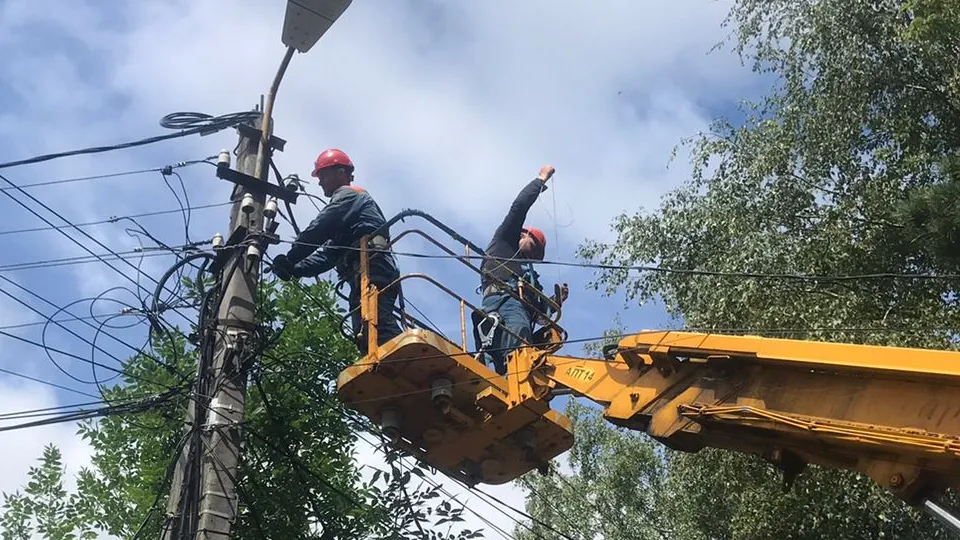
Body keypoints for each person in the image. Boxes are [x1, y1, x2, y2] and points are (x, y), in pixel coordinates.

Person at [271, 148, 403, 355]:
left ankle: (402, 357)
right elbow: (328, 255)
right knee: (363, 330)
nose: (320, 181)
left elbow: (322, 225)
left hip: (374, 267)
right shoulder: (347, 218)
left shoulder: (349, 196)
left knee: (378, 322)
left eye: (322, 175)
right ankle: (381, 366)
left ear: (340, 172)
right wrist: (294, 268)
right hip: (362, 273)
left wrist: (292, 256)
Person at [475, 164, 567, 375]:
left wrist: (556, 301)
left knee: (520, 343)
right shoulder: (504, 242)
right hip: (500, 303)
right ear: (523, 236)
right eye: (534, 246)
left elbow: (540, 315)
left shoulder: (529, 277)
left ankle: (514, 380)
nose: (533, 256)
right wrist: (541, 180)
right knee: (514, 346)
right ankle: (514, 377)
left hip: (515, 309)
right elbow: (519, 207)